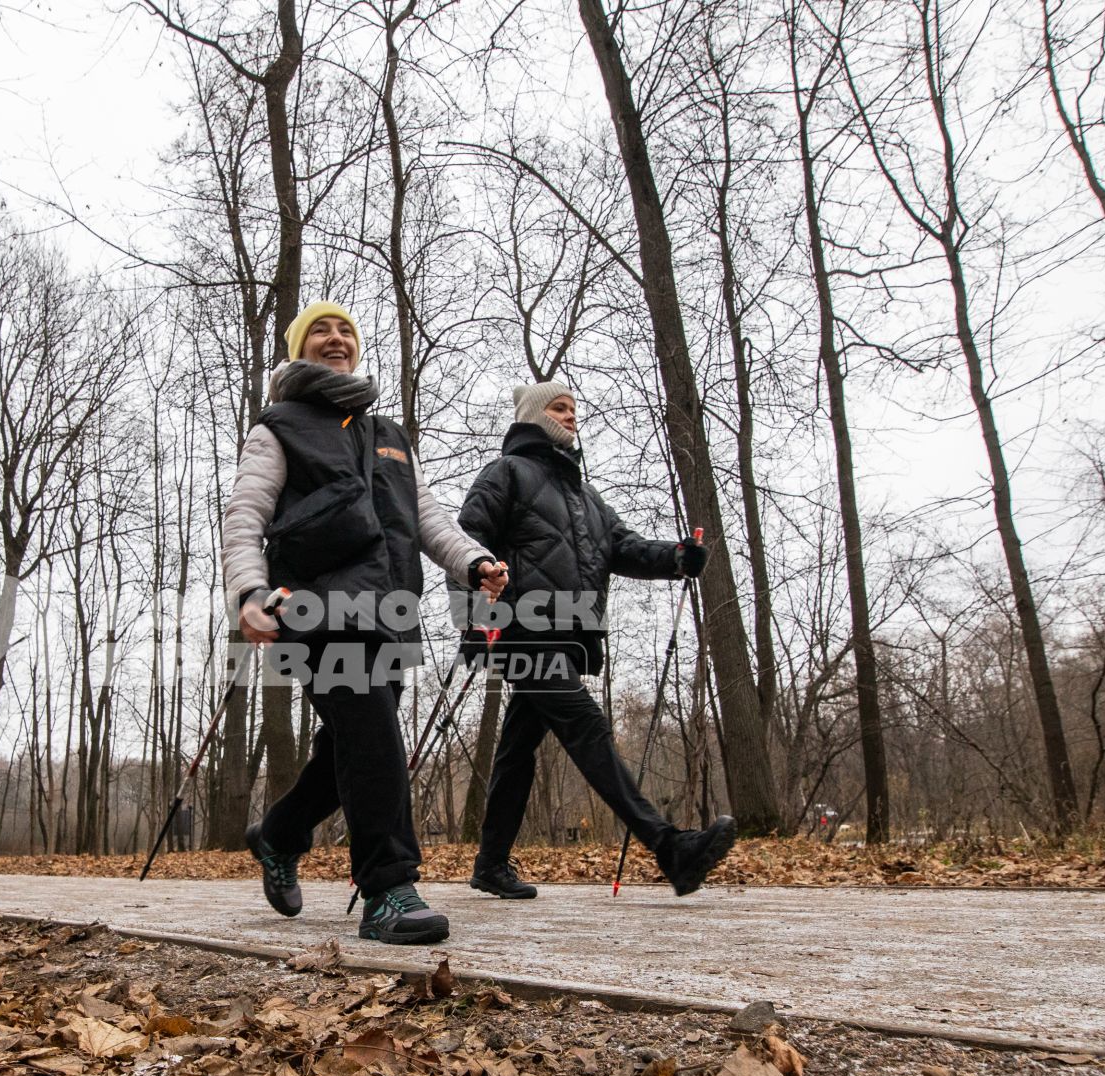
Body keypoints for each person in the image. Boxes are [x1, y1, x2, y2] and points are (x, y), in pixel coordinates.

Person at [222, 301, 506, 944]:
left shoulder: (390, 435)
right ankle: (387, 890)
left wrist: (475, 563)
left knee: (349, 747)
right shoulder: (279, 429)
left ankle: (278, 835)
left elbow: (428, 519)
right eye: (319, 330)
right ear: (298, 350)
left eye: (344, 329)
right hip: (315, 608)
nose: (334, 337)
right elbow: (245, 515)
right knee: (374, 736)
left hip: (389, 613)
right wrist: (249, 590)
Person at [456, 380, 736, 900]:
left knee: (517, 751)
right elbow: (465, 543)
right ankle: (670, 846)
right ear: (535, 417)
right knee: (586, 725)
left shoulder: (586, 497)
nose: (571, 417)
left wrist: (676, 558)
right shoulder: (507, 473)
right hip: (521, 630)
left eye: (574, 410)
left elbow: (623, 547)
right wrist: (474, 621)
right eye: (560, 409)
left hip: (569, 635)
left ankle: (490, 865)